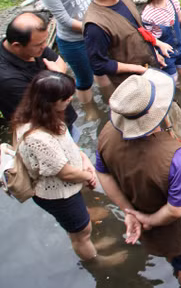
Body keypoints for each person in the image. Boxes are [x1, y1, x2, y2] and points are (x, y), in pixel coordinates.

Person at [95, 70, 181, 288]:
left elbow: (103, 173)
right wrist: (147, 220)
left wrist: (130, 212)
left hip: (142, 211)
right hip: (176, 229)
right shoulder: (177, 156)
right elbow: (176, 210)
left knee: (172, 254)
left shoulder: (108, 133)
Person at [11, 71, 125, 267]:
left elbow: (68, 144)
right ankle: (95, 260)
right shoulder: (38, 138)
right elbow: (64, 172)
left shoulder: (39, 116)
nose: (70, 99)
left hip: (68, 184)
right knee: (80, 232)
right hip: (57, 194)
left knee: (80, 226)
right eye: (65, 97)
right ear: (50, 102)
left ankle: (85, 236)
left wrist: (83, 159)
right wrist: (88, 175)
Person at [82, 0, 171, 92]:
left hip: (149, 65)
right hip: (132, 82)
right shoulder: (95, 25)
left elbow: (137, 28)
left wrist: (154, 51)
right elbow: (99, 64)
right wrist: (138, 69)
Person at [38, 0, 98, 113]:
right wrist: (93, 26)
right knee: (85, 78)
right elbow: (64, 19)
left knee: (101, 68)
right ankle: (89, 110)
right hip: (73, 41)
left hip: (91, 31)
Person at [0, 13, 76, 131]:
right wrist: (59, 77)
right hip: (46, 129)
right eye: (40, 44)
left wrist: (58, 78)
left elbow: (59, 62)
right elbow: (36, 110)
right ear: (16, 46)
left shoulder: (34, 45)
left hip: (63, 117)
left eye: (45, 41)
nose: (45, 46)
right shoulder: (8, 79)